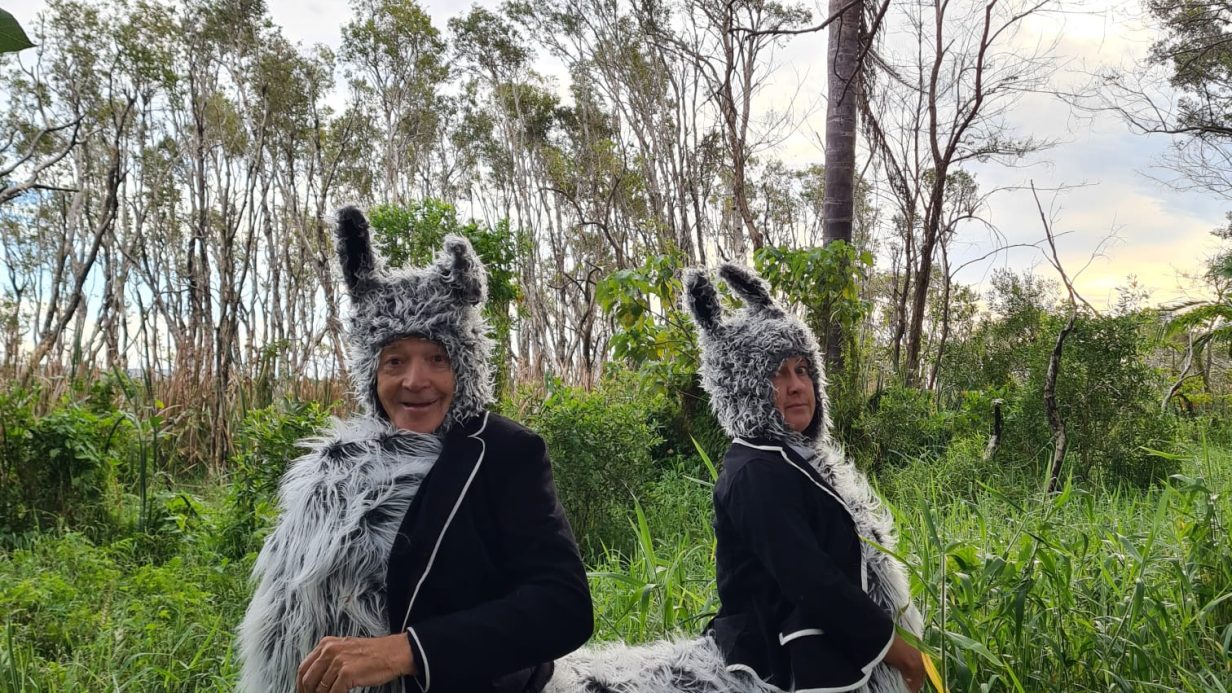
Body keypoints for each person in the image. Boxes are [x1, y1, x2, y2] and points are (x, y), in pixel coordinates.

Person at [236, 206, 593, 693]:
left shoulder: (505, 452)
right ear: (372, 373)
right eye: (395, 360)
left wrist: (408, 650)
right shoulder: (336, 469)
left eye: (436, 359)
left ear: (463, 369)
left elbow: (563, 608)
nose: (415, 381)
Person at [683, 263, 925, 693]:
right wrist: (899, 651)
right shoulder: (755, 471)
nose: (796, 386)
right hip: (777, 664)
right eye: (775, 374)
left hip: (822, 645)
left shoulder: (799, 459)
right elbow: (809, 579)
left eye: (802, 369)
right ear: (743, 387)